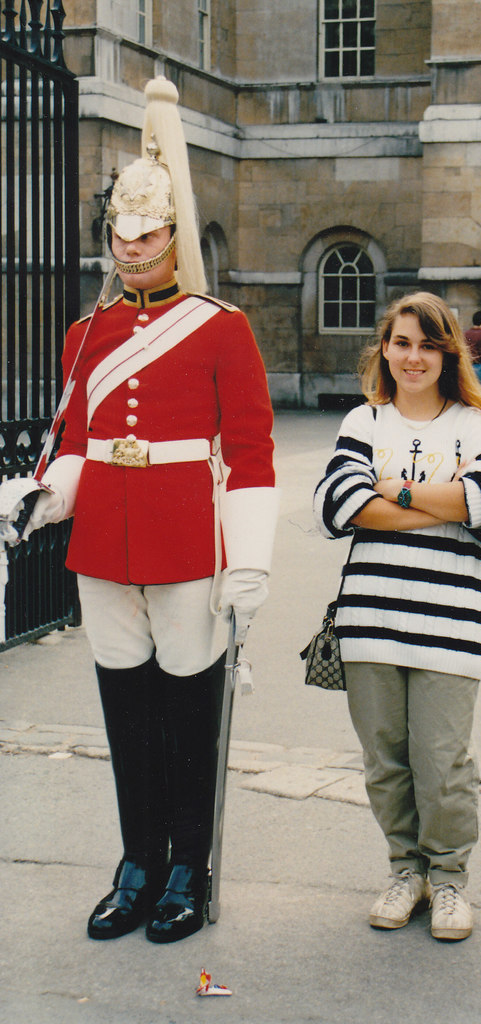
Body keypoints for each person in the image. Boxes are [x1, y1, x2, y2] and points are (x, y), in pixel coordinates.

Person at [0, 77, 278, 943]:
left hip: (188, 544)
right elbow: (79, 445)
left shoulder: (221, 327)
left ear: (171, 238)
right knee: (126, 710)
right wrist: (43, 502)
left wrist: (251, 557)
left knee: (188, 712)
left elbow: (253, 453)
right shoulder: (87, 335)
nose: (132, 251)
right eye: (121, 238)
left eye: (148, 237)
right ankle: (137, 862)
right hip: (104, 552)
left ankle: (188, 867)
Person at [314, 292, 481, 942]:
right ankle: (406, 870)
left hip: (451, 624)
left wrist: (393, 491)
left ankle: (451, 877)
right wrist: (446, 502)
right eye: (402, 342)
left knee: (442, 762)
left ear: (447, 353)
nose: (414, 357)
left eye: (428, 345)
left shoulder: (473, 424)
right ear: (385, 347)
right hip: (371, 621)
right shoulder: (365, 420)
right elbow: (335, 504)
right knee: (386, 762)